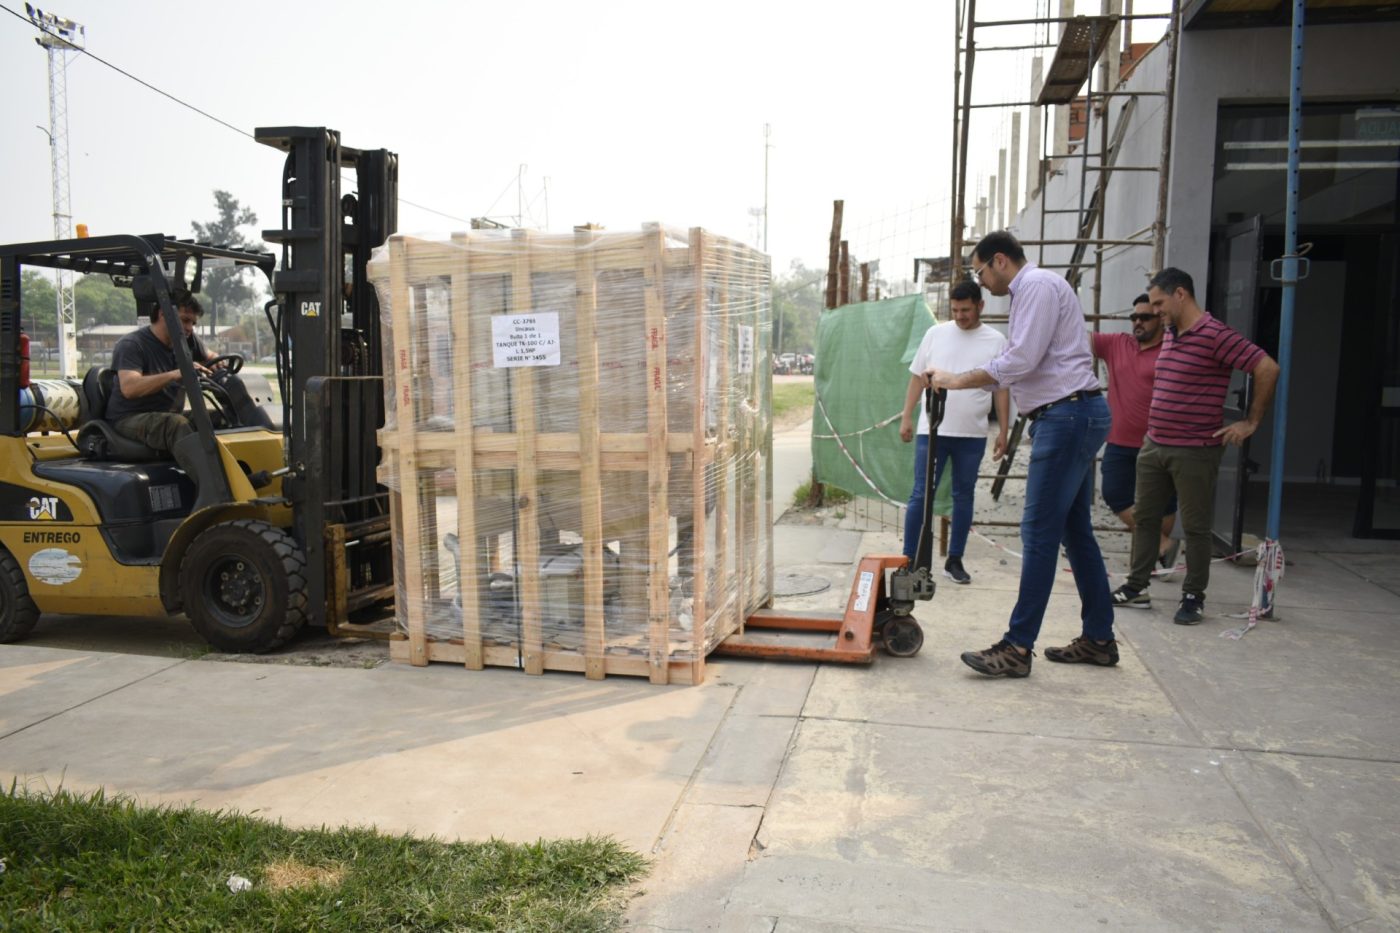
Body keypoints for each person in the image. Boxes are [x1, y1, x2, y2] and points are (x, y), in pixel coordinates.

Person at [927, 231, 1116, 678]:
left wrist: (956, 380)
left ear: (999, 260)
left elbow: (1020, 361)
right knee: (1075, 533)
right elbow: (1019, 363)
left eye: (980, 271)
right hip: (1070, 414)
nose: (980, 282)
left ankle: (1017, 646)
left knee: (1038, 532)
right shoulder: (1031, 291)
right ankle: (1099, 639)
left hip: (1067, 416)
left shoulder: (1036, 287)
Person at [1110, 268, 1280, 625]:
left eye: (1159, 303)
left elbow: (1266, 367)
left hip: (1195, 449)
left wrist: (1250, 422)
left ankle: (1193, 596)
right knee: (1145, 519)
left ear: (1181, 294)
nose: (1155, 311)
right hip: (1155, 444)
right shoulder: (1172, 333)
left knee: (1196, 527)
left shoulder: (1214, 334)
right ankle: (1137, 587)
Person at [899, 279, 1009, 584]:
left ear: (980, 306)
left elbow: (1002, 388)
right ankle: (910, 559)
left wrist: (1003, 431)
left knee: (964, 495)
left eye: (966, 310)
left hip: (972, 433)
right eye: (955, 310)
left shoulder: (996, 341)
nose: (960, 316)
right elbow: (916, 378)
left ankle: (955, 559)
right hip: (932, 430)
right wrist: (907, 417)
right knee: (921, 494)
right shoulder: (935, 334)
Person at [105, 287, 222, 507]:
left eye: (193, 323)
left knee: (219, 418)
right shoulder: (133, 345)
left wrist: (218, 363)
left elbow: (210, 356)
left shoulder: (186, 340)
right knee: (176, 424)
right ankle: (215, 494)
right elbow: (129, 388)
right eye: (185, 320)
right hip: (129, 417)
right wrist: (176, 374)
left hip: (164, 415)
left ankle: (238, 477)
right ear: (163, 314)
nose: (190, 328)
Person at [1093, 293, 1178, 567]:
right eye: (1134, 317)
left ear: (1160, 319)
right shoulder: (1117, 343)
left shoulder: (1173, 348)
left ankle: (1149, 560)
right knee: (1114, 493)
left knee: (1164, 503)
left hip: (1161, 442)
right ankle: (1161, 544)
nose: (1138, 322)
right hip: (1120, 441)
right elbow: (1077, 339)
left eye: (1145, 317)